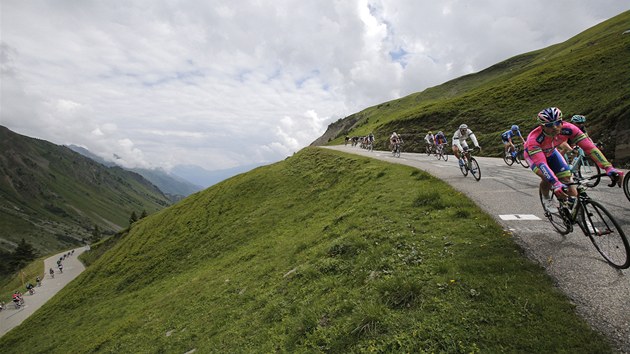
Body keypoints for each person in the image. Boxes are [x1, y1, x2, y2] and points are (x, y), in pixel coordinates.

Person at [524, 107, 623, 212]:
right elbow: (542, 164)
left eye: (558, 122)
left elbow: (590, 148)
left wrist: (608, 168)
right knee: (546, 178)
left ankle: (574, 212)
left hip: (551, 152)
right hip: (533, 156)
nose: (555, 127)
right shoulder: (534, 139)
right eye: (549, 125)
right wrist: (556, 183)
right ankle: (546, 198)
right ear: (542, 126)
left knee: (567, 180)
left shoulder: (569, 129)